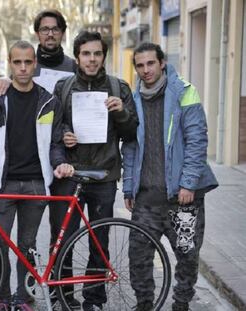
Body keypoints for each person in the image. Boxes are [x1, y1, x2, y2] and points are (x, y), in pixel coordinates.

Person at [0, 40, 74, 311]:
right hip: (3, 183)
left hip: (36, 183)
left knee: (27, 246)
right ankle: (2, 300)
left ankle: (23, 299)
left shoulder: (48, 100)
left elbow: (55, 142)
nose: (23, 68)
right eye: (17, 62)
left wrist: (60, 164)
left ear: (35, 63)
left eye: (28, 62)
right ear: (9, 64)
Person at [122, 42, 218, 311]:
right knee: (138, 259)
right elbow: (130, 146)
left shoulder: (184, 91)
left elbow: (197, 140)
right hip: (146, 199)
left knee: (187, 256)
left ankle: (180, 305)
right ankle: (144, 305)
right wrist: (129, 188)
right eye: (139, 65)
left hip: (182, 199)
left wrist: (188, 183)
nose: (145, 70)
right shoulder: (134, 99)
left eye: (150, 63)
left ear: (162, 63)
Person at [50, 30, 138, 311]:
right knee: (62, 240)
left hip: (103, 176)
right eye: (86, 54)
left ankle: (94, 300)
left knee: (99, 242)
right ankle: (63, 297)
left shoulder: (118, 87)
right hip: (70, 174)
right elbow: (54, 128)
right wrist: (65, 134)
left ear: (103, 57)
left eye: (97, 54)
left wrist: (121, 112)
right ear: (77, 56)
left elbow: (131, 132)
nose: (91, 59)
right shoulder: (63, 87)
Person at [33, 9, 76, 76]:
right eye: (45, 29)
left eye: (55, 29)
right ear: (37, 34)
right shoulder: (26, 66)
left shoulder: (75, 67)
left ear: (63, 33)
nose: (50, 34)